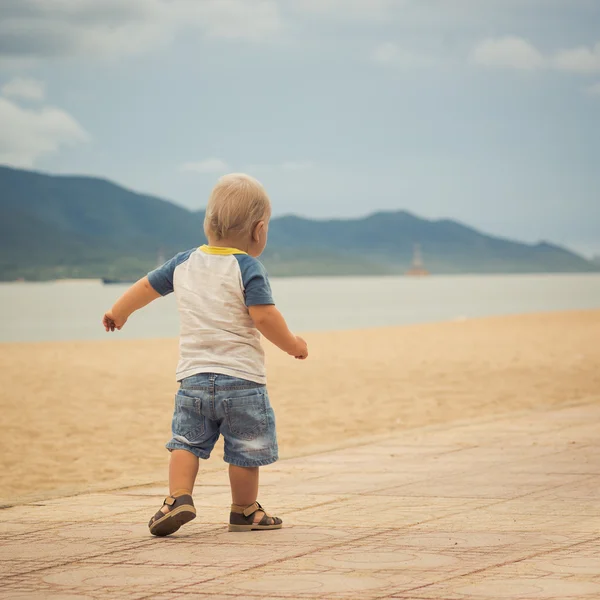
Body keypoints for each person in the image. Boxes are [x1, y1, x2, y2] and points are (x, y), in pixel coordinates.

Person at [102, 173, 308, 535]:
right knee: (245, 448)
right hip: (241, 381)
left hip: (193, 379)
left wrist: (119, 312)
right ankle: (244, 510)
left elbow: (146, 287)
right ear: (259, 230)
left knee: (186, 441)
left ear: (207, 222)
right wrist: (293, 344)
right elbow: (263, 315)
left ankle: (177, 497)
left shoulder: (184, 262)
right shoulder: (247, 267)